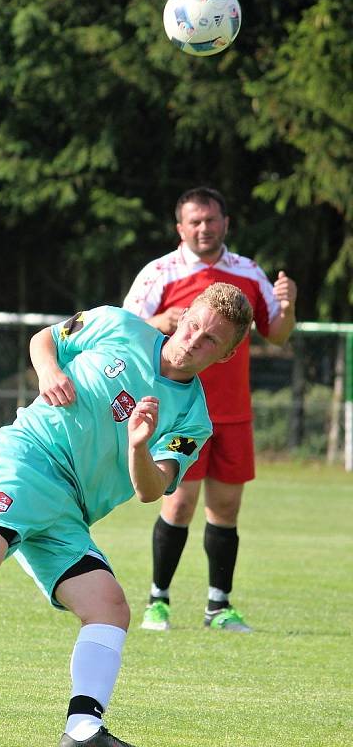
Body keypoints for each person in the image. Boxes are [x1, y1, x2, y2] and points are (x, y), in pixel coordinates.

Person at [0, 283, 255, 747]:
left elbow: (150, 489)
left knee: (110, 608)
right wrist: (49, 371)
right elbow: (46, 339)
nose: (194, 339)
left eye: (211, 340)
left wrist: (139, 445)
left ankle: (82, 730)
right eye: (193, 325)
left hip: (70, 508)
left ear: (227, 355)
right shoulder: (118, 325)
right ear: (184, 315)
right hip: (26, 458)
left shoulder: (193, 418)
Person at [122, 186, 298, 633]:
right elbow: (123, 327)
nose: (204, 229)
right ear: (181, 228)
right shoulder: (159, 272)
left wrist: (288, 306)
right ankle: (157, 601)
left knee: (226, 508)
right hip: (180, 413)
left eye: (211, 220)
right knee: (178, 502)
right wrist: (156, 324)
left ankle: (218, 607)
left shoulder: (248, 272)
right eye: (195, 222)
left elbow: (276, 334)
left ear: (225, 223)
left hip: (232, 413)